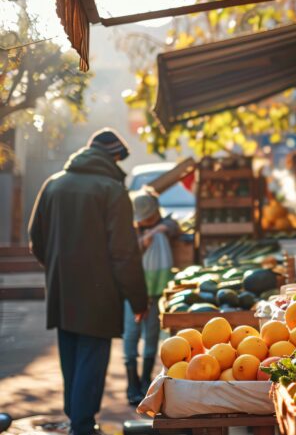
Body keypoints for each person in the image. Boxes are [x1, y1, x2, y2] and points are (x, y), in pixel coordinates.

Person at [28, 128, 148, 435]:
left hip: (61, 288)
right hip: (99, 293)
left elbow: (35, 240)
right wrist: (138, 299)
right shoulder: (112, 190)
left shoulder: (53, 185)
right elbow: (124, 252)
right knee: (92, 361)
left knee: (71, 358)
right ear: (113, 158)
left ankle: (77, 420)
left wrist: (58, 268)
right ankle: (81, 426)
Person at [124, 190, 180, 405]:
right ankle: (131, 384)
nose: (147, 221)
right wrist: (142, 242)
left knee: (151, 336)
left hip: (157, 292)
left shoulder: (165, 225)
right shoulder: (129, 232)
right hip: (133, 290)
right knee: (131, 334)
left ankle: (146, 380)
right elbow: (124, 254)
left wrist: (157, 230)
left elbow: (173, 227)